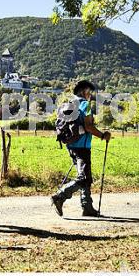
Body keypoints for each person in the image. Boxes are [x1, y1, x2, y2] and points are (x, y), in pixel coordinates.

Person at [51, 80, 111, 217]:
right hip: (82, 146)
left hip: (71, 145)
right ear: (84, 92)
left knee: (86, 176)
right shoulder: (85, 104)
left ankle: (87, 207)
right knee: (84, 177)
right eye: (90, 92)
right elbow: (89, 126)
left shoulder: (69, 104)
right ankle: (60, 196)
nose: (90, 95)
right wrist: (103, 135)